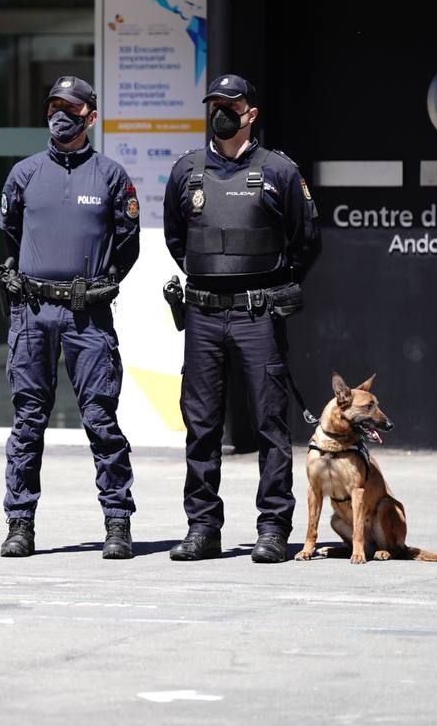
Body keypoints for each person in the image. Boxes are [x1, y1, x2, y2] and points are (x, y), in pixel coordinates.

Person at [162, 73, 322, 564]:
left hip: (258, 313)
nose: (220, 113)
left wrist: (272, 285)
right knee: (201, 425)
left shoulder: (278, 171)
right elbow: (175, 238)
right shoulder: (186, 171)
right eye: (214, 104)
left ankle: (273, 528)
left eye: (230, 106)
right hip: (203, 315)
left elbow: (306, 241)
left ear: (251, 113)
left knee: (270, 424)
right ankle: (203, 528)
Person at [0, 75, 141, 560]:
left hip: (88, 316)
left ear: (90, 117)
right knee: (27, 421)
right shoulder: (24, 174)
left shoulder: (111, 176)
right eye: (54, 106)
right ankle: (20, 523)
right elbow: (10, 233)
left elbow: (127, 244)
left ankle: (117, 522)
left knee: (100, 419)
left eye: (71, 109)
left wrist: (98, 283)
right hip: (33, 312)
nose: (60, 115)